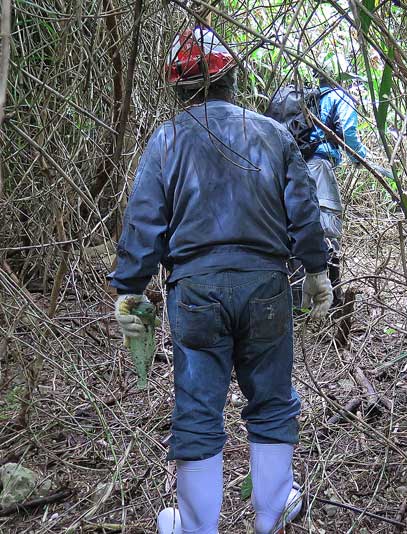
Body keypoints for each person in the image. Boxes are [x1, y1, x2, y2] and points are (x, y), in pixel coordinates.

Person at [109, 26, 333, 534]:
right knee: (272, 401)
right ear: (232, 77)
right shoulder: (272, 134)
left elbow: (144, 221)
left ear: (178, 88)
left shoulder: (167, 140)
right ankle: (270, 515)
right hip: (265, 288)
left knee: (197, 407)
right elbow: (304, 212)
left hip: (195, 293)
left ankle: (195, 525)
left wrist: (129, 288)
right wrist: (317, 273)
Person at [291, 55, 370, 308]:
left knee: (297, 226)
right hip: (319, 168)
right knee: (328, 229)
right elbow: (349, 134)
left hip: (295, 168)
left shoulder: (309, 99)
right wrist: (360, 157)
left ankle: (297, 300)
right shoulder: (340, 96)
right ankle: (330, 299)